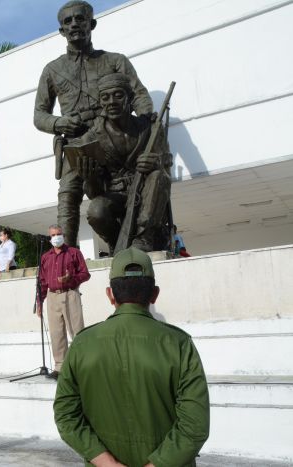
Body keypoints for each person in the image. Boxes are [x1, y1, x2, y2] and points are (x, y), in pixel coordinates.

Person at [54, 247, 210, 466]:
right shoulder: (179, 344)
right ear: (154, 294)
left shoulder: (81, 344)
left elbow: (66, 416)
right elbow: (195, 427)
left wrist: (109, 463)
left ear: (110, 294)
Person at [34, 0, 153, 249]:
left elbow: (140, 95)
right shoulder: (52, 70)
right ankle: (65, 253)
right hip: (77, 142)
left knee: (115, 198)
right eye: (68, 21)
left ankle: (127, 241)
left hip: (112, 136)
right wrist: (59, 122)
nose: (74, 24)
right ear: (61, 31)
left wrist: (144, 123)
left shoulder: (114, 61)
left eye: (80, 18)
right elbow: (39, 115)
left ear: (92, 24)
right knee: (68, 193)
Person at [77, 72, 172, 253]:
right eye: (105, 97)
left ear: (129, 98)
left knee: (159, 176)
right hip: (116, 195)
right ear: (100, 103)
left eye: (118, 95)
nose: (111, 101)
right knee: (96, 211)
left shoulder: (151, 127)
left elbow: (167, 166)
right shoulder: (91, 137)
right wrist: (89, 178)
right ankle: (116, 243)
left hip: (145, 190)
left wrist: (156, 162)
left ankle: (144, 238)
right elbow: (94, 193)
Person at [36, 225, 90, 379]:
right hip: (52, 296)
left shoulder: (74, 253)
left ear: (63, 235)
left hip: (70, 293)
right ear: (49, 237)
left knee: (77, 331)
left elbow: (85, 274)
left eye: (58, 234)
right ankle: (60, 367)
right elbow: (42, 281)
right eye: (53, 235)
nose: (56, 237)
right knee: (56, 333)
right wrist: (40, 302)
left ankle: (82, 365)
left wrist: (71, 279)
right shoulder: (46, 257)